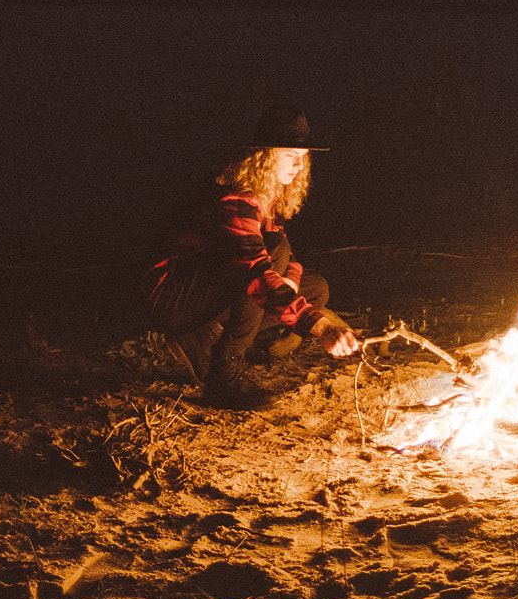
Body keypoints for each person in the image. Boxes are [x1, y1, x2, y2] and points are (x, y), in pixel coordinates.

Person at [143, 102, 362, 408]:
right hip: (173, 294)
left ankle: (205, 338)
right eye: (290, 156)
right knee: (272, 265)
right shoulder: (236, 197)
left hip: (214, 288)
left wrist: (291, 287)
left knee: (316, 288)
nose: (299, 166)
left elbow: (289, 258)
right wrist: (321, 327)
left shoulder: (269, 195)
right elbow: (256, 273)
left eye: (303, 157)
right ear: (264, 157)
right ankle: (223, 375)